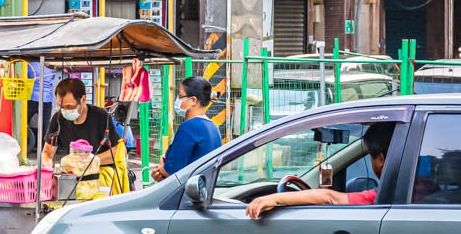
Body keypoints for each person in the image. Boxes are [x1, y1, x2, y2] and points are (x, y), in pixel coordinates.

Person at [245, 122, 396, 219]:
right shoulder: (414, 190)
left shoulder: (381, 197)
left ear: (381, 160)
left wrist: (274, 199)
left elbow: (330, 198)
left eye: (371, 157)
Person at [42, 77, 120, 174]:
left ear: (83, 99)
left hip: (100, 174)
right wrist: (47, 166)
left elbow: (119, 151)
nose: (65, 110)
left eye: (69, 106)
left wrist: (91, 161)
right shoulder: (58, 119)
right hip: (73, 174)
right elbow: (47, 153)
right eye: (61, 106)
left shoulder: (101, 116)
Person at [150, 77, 222, 182]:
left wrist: (161, 169)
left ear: (193, 100)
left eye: (180, 96)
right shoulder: (213, 127)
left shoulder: (190, 127)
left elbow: (172, 170)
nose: (177, 100)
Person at [27, 62, 56, 152]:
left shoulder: (30, 65)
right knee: (46, 125)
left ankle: (24, 143)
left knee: (24, 122)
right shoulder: (52, 68)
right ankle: (45, 148)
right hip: (47, 99)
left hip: (33, 98)